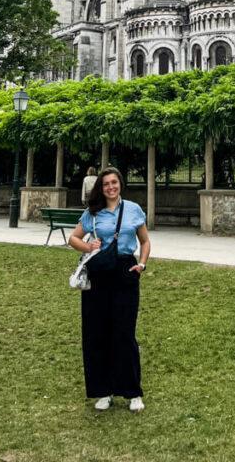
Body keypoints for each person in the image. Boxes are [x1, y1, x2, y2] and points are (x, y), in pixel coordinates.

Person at [68, 167, 150, 413]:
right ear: (100, 188)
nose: (111, 187)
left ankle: (133, 392)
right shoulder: (93, 212)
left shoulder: (133, 209)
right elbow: (73, 238)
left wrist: (142, 264)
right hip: (99, 274)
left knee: (124, 333)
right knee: (96, 333)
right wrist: (88, 246)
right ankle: (103, 391)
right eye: (106, 184)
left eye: (114, 182)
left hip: (125, 271)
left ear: (120, 184)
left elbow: (145, 240)